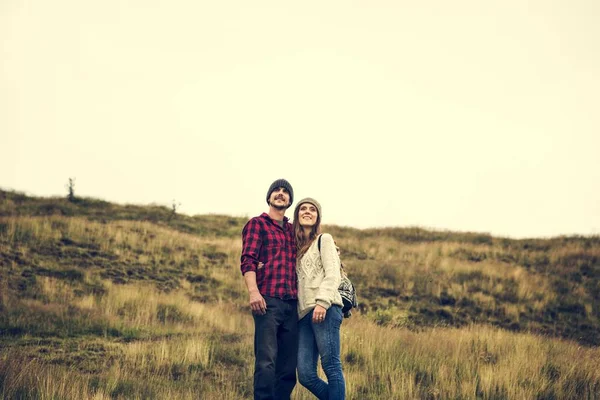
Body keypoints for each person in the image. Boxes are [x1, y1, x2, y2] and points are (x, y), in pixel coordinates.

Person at [240, 179, 298, 400]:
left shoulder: (293, 231)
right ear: (269, 197)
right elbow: (248, 260)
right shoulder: (257, 224)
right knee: (266, 362)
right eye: (276, 190)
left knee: (287, 368)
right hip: (268, 302)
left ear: (290, 200)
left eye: (285, 192)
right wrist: (254, 292)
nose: (280, 194)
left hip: (292, 304)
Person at [293, 197, 346, 400]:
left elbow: (333, 274)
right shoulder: (295, 248)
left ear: (317, 217)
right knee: (305, 375)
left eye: (312, 209)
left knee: (331, 365)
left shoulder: (324, 239)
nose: (307, 211)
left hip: (325, 309)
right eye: (303, 209)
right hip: (303, 315)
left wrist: (322, 302)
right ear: (297, 215)